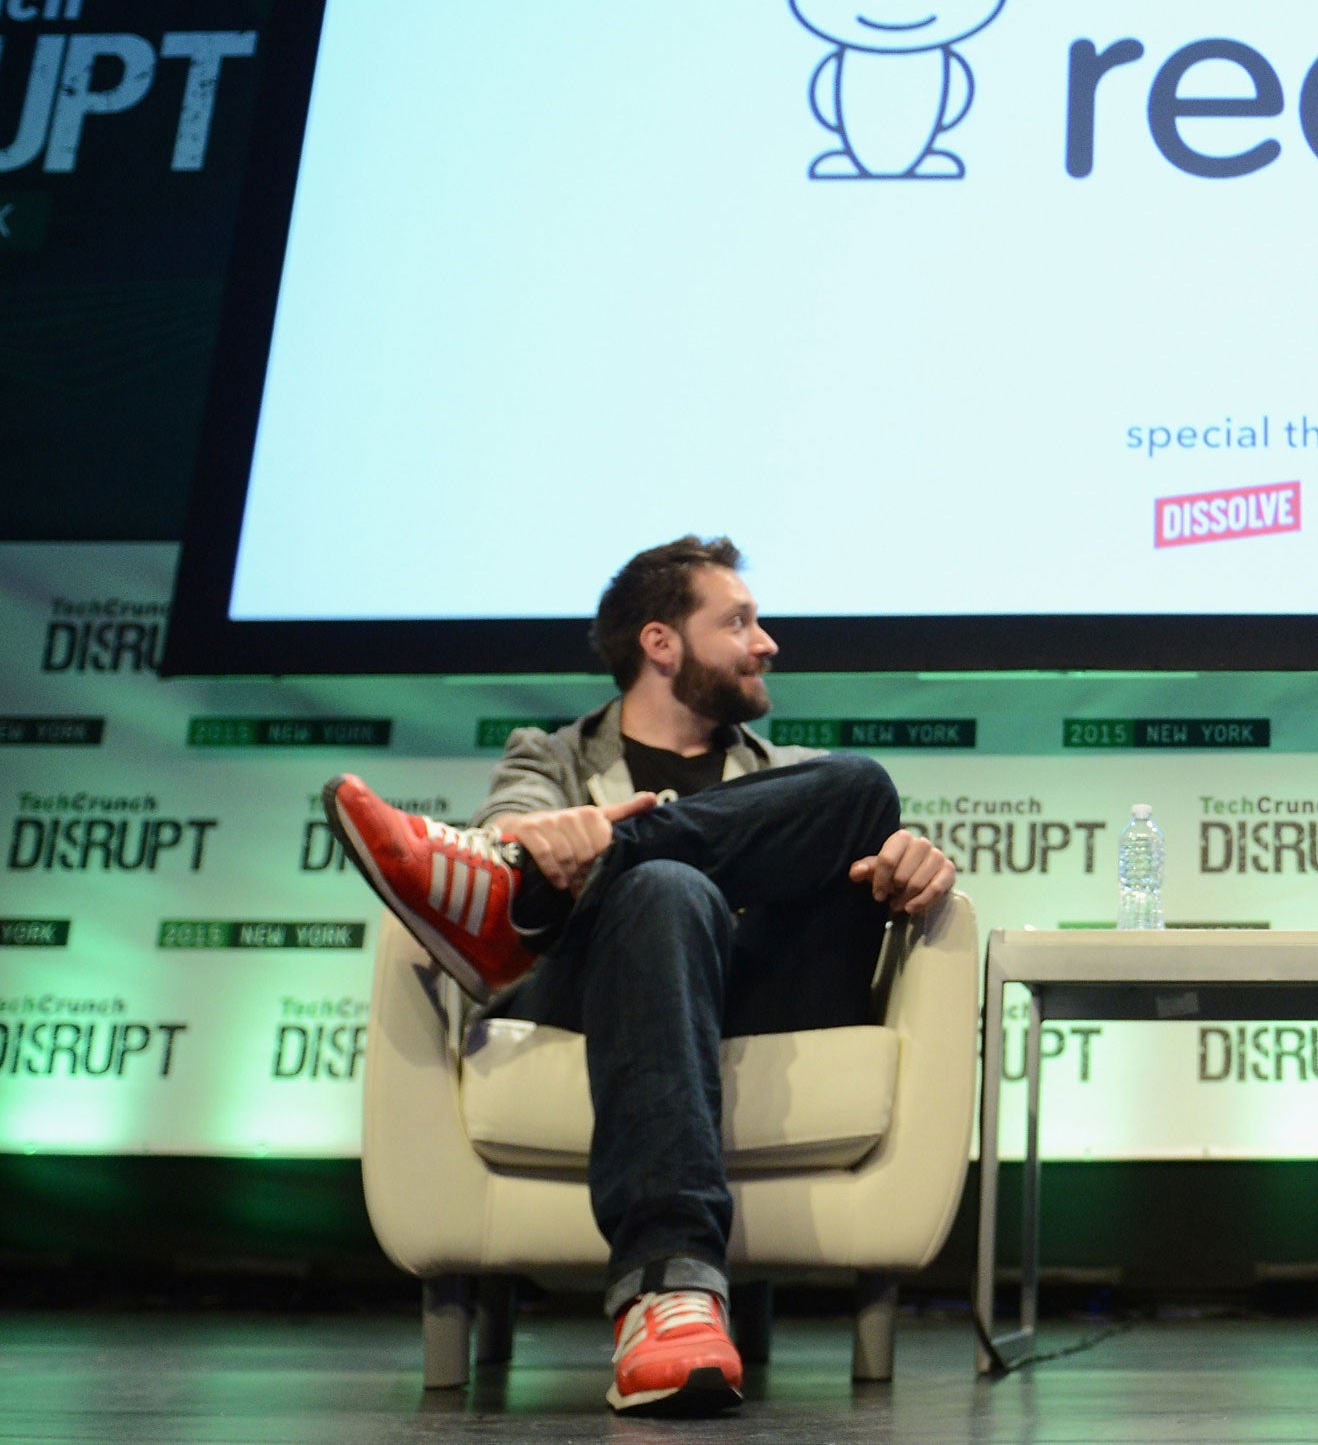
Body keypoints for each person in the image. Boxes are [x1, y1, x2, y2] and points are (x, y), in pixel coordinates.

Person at [324, 536, 955, 1417]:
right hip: (608, 1000)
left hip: (757, 997)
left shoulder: (790, 776)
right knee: (662, 890)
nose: (766, 642)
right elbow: (515, 820)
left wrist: (909, 865)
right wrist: (535, 842)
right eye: (737, 621)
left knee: (859, 788)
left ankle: (528, 891)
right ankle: (668, 1290)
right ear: (661, 643)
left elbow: (864, 854)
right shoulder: (551, 758)